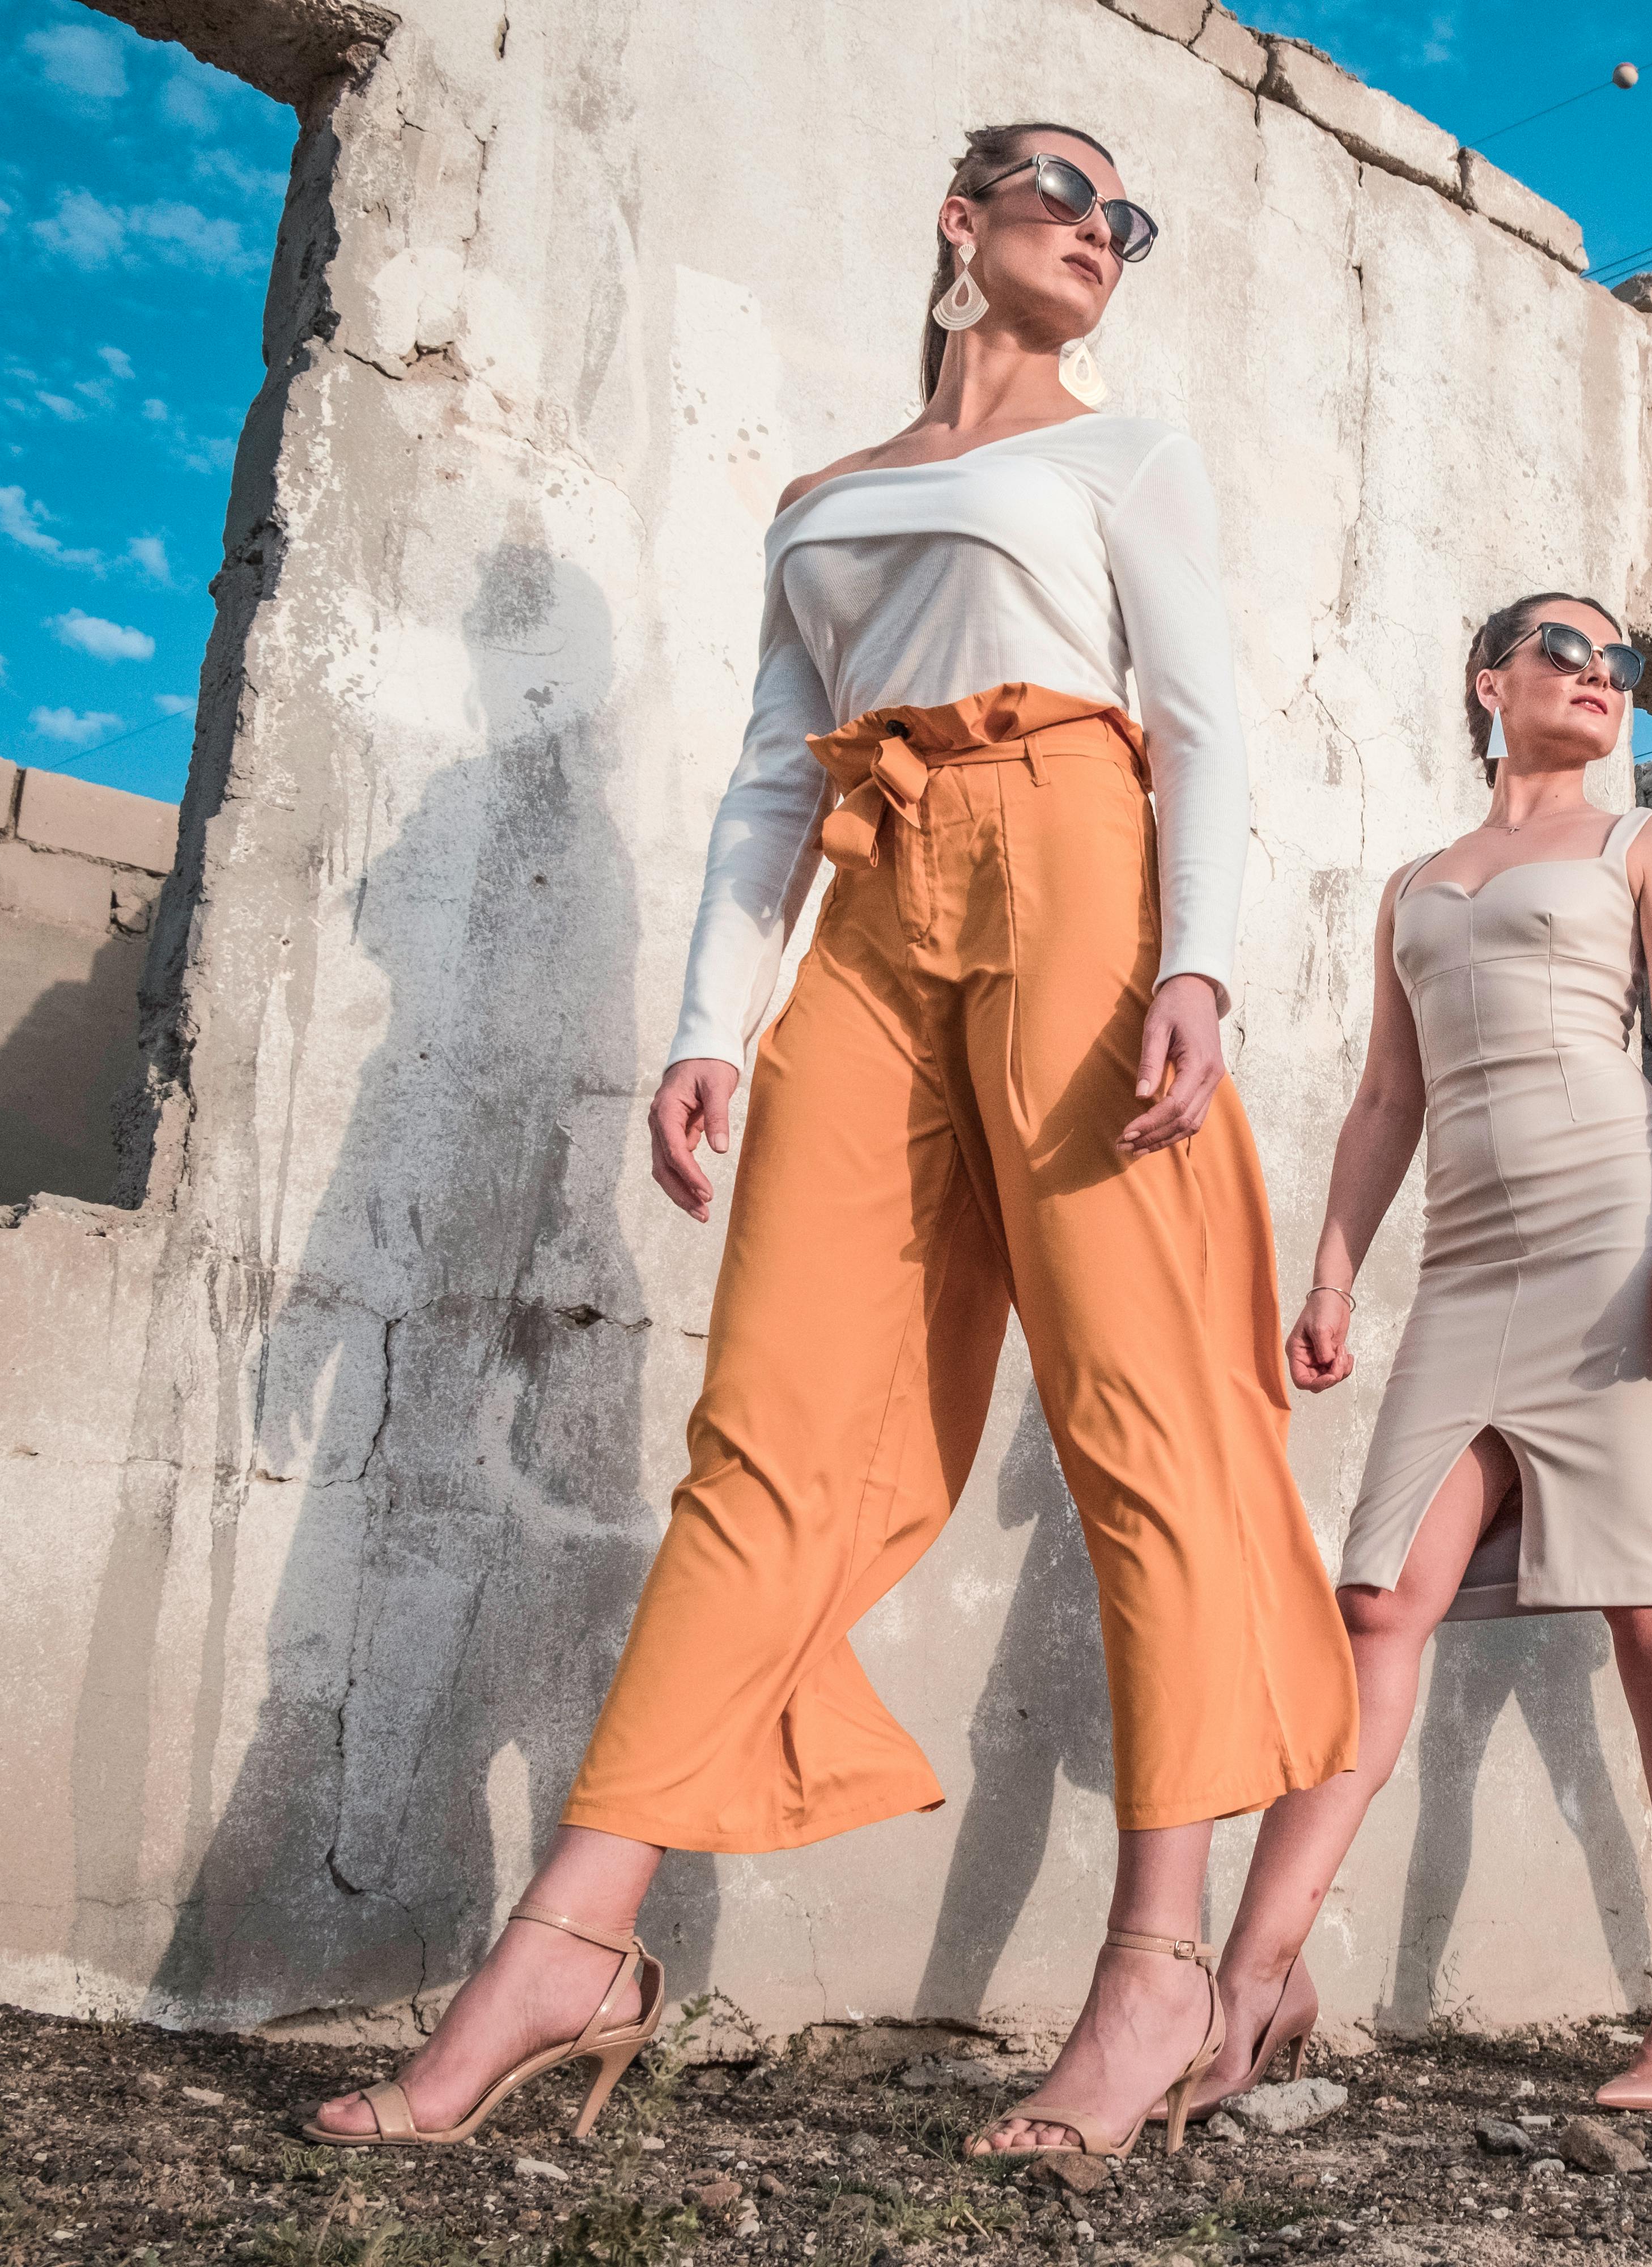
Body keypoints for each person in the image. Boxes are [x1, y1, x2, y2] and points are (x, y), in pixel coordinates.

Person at [303, 123, 1361, 2160]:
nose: (1101, 229)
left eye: (1127, 217)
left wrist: (1199, 966)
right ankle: (567, 1947)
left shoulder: (1126, 456)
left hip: (1078, 866)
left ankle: (1160, 1973)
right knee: (768, 1432)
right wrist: (714, 1021)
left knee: (1140, 1409)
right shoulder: (826, 495)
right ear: (959, 214)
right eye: (1062, 187)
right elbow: (765, 785)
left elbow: (1205, 716)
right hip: (871, 917)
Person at [1197, 593, 1652, 2113]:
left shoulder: (1647, 844)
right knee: (1376, 1595)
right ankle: (1254, 1976)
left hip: (1614, 1230)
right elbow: (1389, 1098)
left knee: (1649, 1602)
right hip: (1466, 1263)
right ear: (1489, 681)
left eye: (1621, 664)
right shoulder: (1416, 883)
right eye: (1566, 651)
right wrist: (1331, 1274)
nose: (1599, 678)